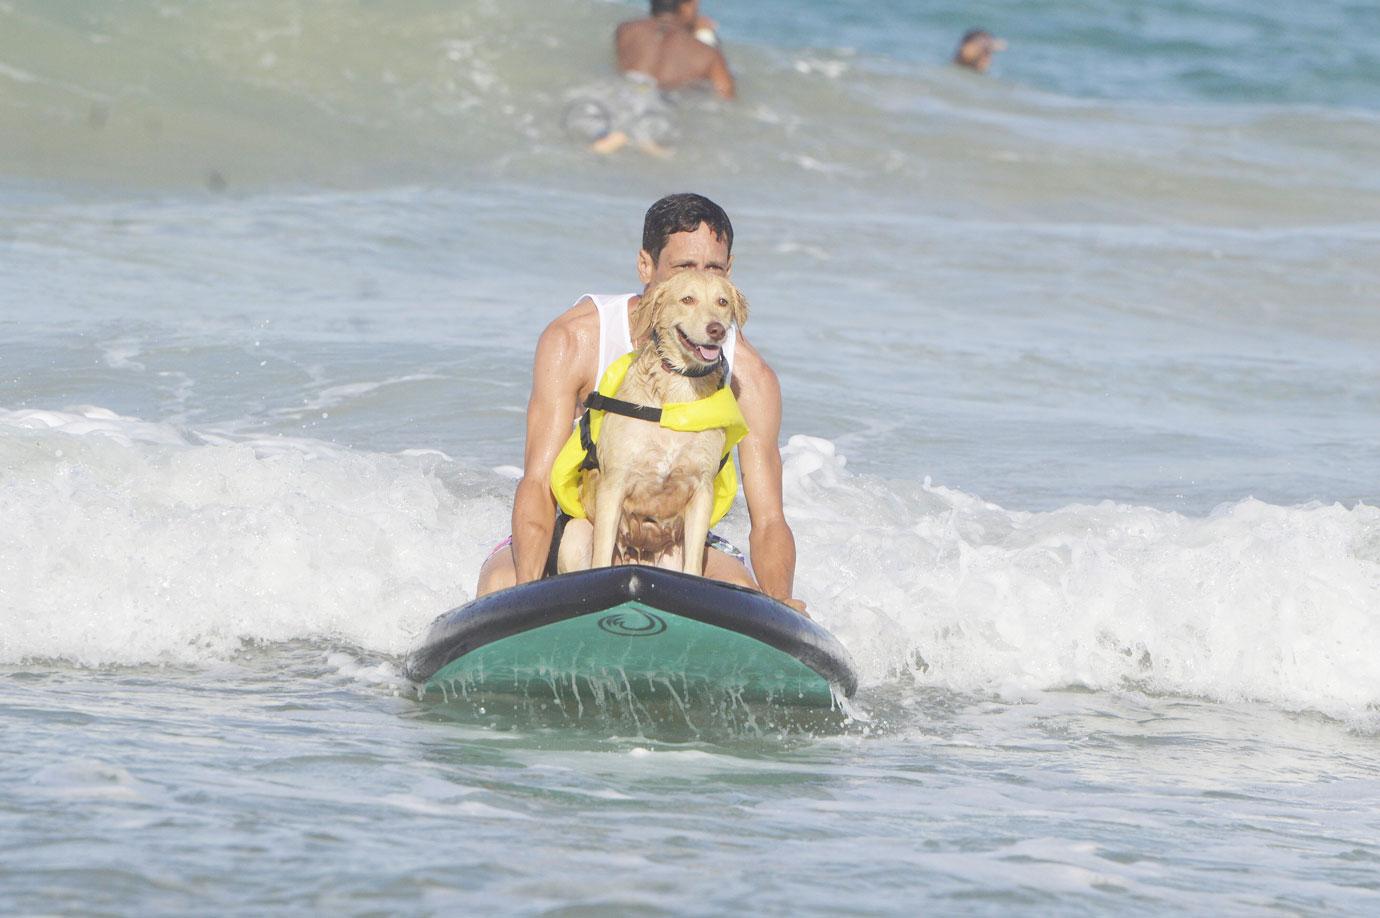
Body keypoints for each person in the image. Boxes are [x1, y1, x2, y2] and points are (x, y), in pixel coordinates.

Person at [475, 193, 806, 614]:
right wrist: (525, 594)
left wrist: (780, 608)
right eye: (684, 268)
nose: (698, 284)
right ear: (646, 266)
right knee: (500, 583)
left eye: (714, 270)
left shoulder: (750, 378)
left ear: (730, 273)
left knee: (748, 596)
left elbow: (770, 520)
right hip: (583, 523)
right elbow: (538, 483)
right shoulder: (576, 340)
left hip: (680, 536)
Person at [565, 1, 735, 156]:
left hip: (621, 94)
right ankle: (647, 144)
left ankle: (612, 138)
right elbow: (726, 96)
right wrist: (707, 37)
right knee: (661, 149)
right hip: (658, 106)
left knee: (599, 128)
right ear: (686, 7)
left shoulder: (626, 29)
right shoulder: (707, 54)